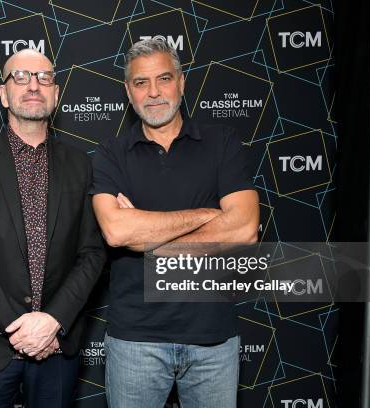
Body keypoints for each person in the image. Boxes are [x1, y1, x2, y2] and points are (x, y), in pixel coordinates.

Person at [90, 39, 259, 407]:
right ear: (127, 91)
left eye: (163, 79)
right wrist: (209, 216)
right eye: (140, 82)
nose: (153, 93)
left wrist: (146, 233)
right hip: (136, 341)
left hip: (213, 338)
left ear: (181, 82)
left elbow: (244, 229)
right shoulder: (110, 154)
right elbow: (118, 232)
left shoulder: (222, 143)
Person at [0, 48, 106, 408]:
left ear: (57, 93)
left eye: (44, 77)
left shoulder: (81, 165)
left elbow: (92, 253)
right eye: (21, 76)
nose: (33, 85)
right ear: (4, 93)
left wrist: (53, 321)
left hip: (57, 347)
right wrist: (22, 327)